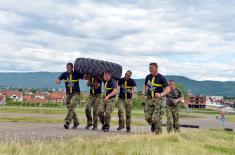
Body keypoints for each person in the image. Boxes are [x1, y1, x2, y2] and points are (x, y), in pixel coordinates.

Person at [142, 63, 171, 134]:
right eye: (149, 68)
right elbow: (145, 85)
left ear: (156, 68)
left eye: (151, 68)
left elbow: (168, 89)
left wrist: (161, 94)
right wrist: (143, 93)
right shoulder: (148, 77)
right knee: (147, 117)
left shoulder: (161, 77)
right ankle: (153, 125)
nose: (150, 69)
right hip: (149, 100)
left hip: (158, 101)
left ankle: (158, 134)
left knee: (156, 118)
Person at [56, 63, 84, 129]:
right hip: (68, 94)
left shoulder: (77, 74)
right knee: (70, 108)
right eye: (67, 67)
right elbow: (57, 79)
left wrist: (89, 75)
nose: (68, 68)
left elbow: (85, 77)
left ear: (72, 67)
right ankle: (76, 122)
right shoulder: (64, 74)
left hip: (76, 93)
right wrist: (58, 81)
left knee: (72, 106)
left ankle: (67, 122)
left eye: (69, 67)